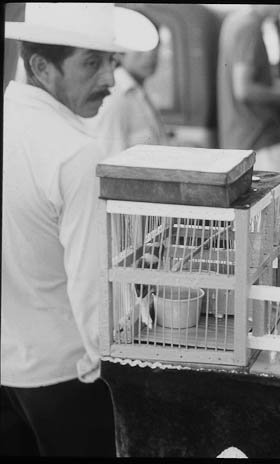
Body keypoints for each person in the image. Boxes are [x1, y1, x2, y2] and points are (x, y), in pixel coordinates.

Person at [2, 3, 158, 456]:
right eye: (91, 63)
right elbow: (95, 294)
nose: (110, 78)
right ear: (40, 67)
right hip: (68, 379)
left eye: (110, 61)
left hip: (9, 371)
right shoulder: (74, 153)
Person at [217, 4, 280, 245]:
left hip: (244, 137)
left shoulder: (235, 22)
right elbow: (245, 89)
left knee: (259, 227)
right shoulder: (249, 26)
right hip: (260, 137)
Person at [86, 12, 169, 158]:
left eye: (157, 46)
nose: (151, 54)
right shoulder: (114, 96)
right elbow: (111, 161)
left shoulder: (138, 91)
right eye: (143, 46)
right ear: (120, 52)